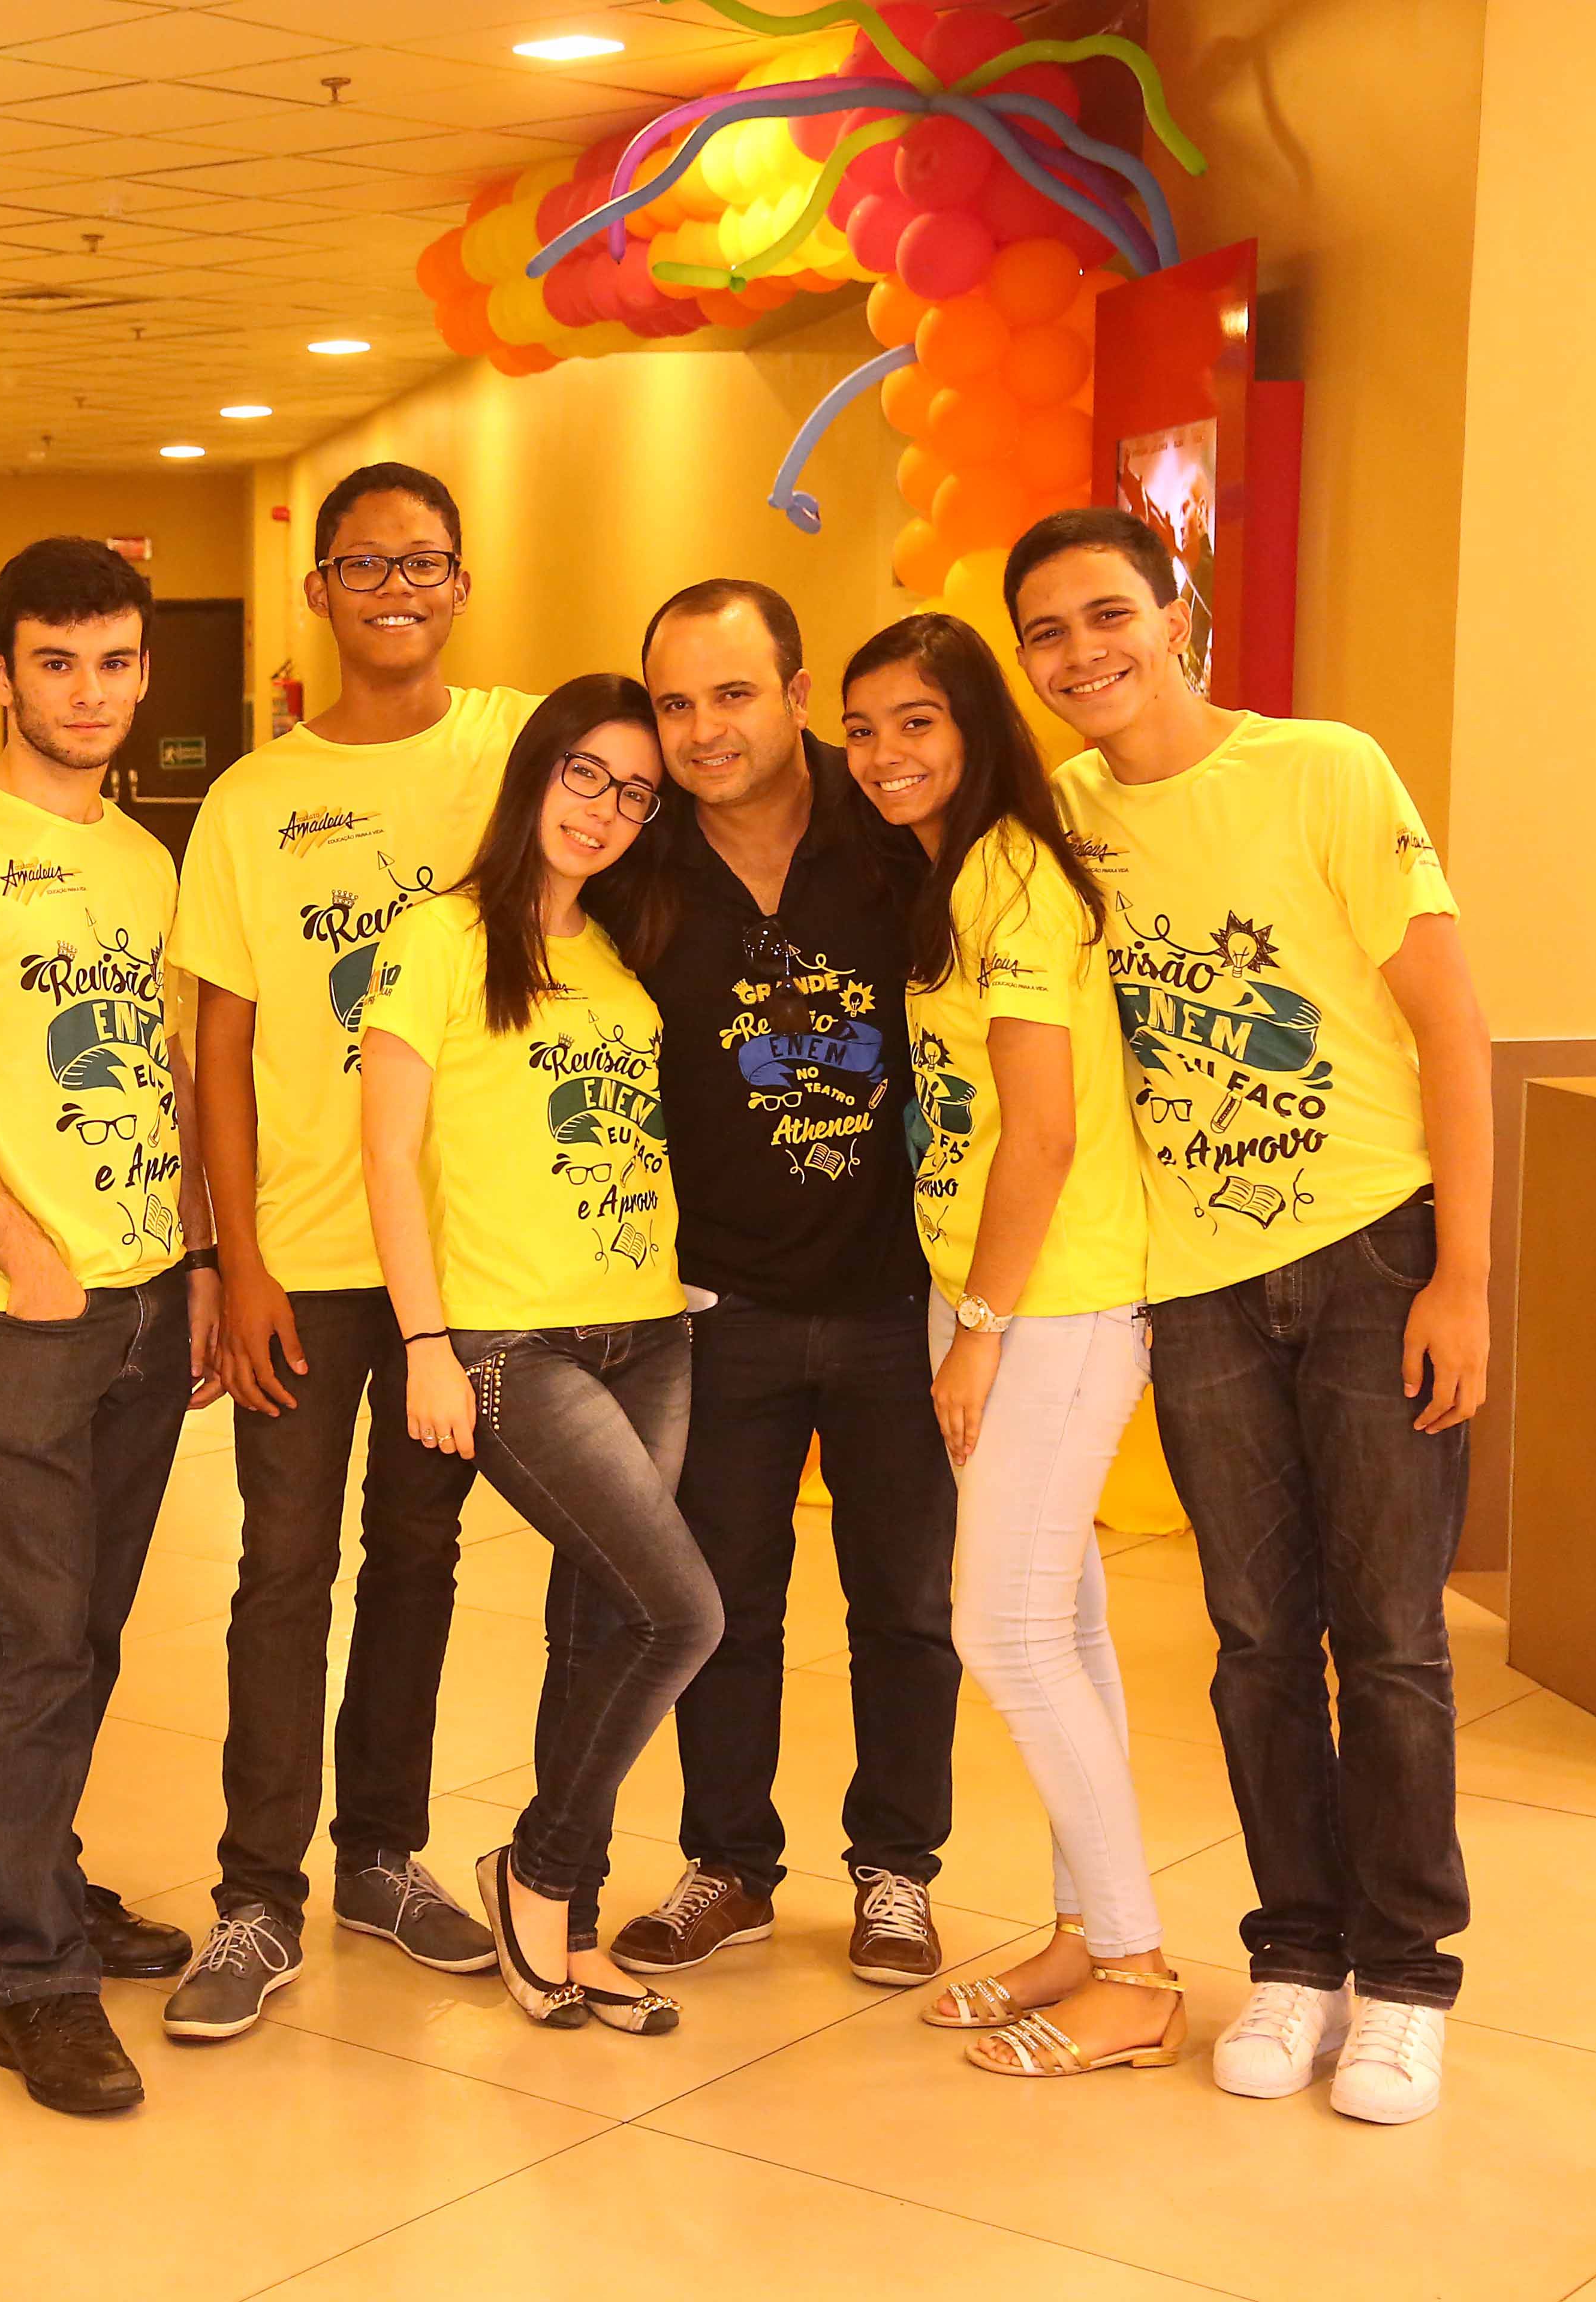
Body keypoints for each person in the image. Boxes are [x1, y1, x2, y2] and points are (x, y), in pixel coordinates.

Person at [1012, 507, 1490, 2125]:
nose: (1083, 653)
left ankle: (1409, 1979)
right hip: (1200, 1282)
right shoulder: (1055, 823)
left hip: (1373, 1256)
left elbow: (1453, 1029)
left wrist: (1465, 1277)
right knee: (1256, 1641)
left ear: (1178, 614)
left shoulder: (1326, 771)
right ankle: (1296, 1957)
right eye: (1047, 632)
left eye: (1109, 614)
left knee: (1393, 1639)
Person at [0, 535, 216, 2117]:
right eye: (57, 663)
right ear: (0, 671)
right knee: (33, 1640)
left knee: (93, 1630)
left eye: (115, 663)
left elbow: (168, 1071)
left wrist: (197, 1259)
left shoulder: (145, 861)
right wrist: (23, 1251)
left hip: (143, 1298)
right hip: (21, 1317)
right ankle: (36, 1983)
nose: (89, 693)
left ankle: (17, 1875)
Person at [157, 462, 513, 2039]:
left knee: (421, 1560)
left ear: (461, 582)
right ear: (318, 590)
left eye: (422, 562)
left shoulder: (514, 754)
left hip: (463, 1261)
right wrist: (234, 1259)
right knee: (283, 1569)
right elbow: (218, 1051)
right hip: (301, 1252)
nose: (394, 589)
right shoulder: (250, 801)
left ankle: (382, 1855)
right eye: (363, 564)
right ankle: (257, 1893)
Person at [583, 578, 958, 1991]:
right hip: (713, 1309)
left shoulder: (898, 838)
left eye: (733, 695)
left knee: (905, 1606)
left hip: (894, 1301)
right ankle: (729, 1864)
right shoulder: (637, 865)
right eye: (675, 703)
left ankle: (897, 1869)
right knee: (722, 1604)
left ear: (799, 697)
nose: (703, 731)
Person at [837, 613, 1182, 2079]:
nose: (884, 755)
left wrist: (978, 1331)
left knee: (1005, 1632)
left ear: (978, 726)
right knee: (1069, 1626)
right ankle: (1084, 1933)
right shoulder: (954, 876)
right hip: (988, 1290)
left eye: (916, 722)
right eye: (861, 730)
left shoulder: (1015, 876)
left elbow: (1041, 1133)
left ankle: (1140, 1974)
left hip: (1053, 1302)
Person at [359, 674, 711, 2038]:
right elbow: (389, 1155)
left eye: (637, 794)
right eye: (587, 774)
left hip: (649, 1330)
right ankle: (539, 1873)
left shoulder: (620, 956)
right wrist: (427, 1346)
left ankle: (558, 1921)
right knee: (681, 1617)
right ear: (537, 772)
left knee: (604, 1625)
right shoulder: (441, 936)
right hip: (511, 1340)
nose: (607, 810)